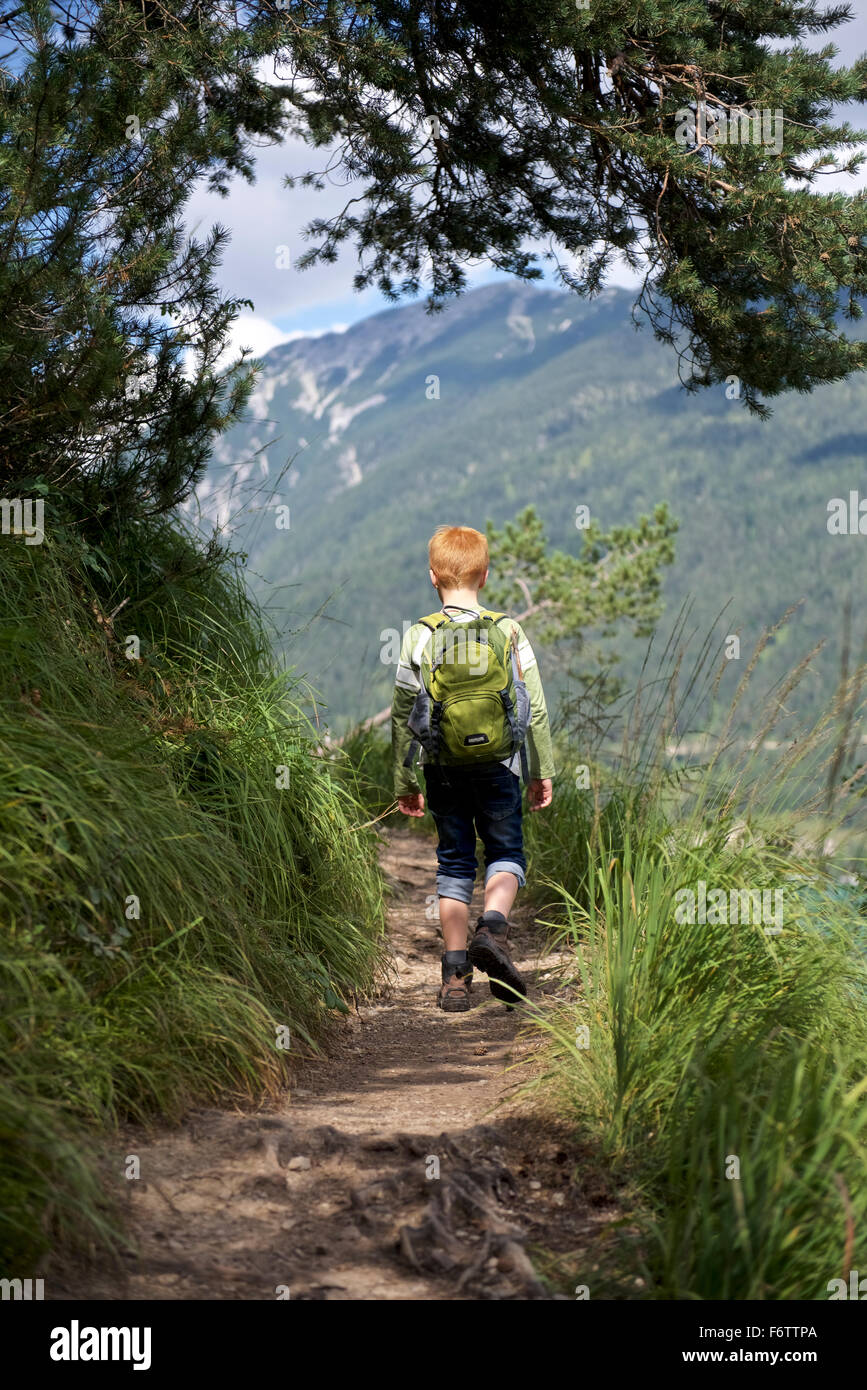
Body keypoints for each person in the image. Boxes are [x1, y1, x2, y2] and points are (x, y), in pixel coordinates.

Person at [391, 524, 555, 1012]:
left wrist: (405, 779)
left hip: (442, 768)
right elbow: (536, 708)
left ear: (432, 577)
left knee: (455, 863)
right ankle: (496, 930)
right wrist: (539, 770)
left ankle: (455, 975)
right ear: (484, 575)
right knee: (506, 853)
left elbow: (404, 713)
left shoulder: (419, 635)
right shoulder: (508, 629)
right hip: (499, 765)